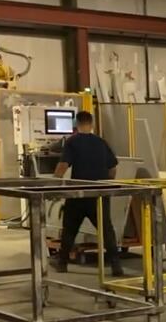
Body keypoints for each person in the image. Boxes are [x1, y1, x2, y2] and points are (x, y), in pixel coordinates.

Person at [53, 110, 124, 276]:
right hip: (99, 194)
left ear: (76, 124)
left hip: (79, 194)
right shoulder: (101, 142)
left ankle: (62, 263)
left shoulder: (72, 142)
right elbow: (113, 168)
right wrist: (105, 183)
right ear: (92, 124)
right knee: (106, 230)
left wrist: (54, 185)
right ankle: (116, 266)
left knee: (69, 229)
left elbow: (63, 166)